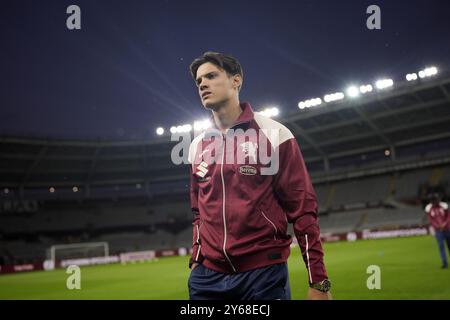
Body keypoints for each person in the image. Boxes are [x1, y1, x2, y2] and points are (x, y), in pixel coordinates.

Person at [186, 51, 331, 300]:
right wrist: (197, 260)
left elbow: (303, 210)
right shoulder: (196, 146)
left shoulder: (275, 135)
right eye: (199, 81)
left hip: (262, 275)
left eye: (211, 76)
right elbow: (198, 211)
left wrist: (318, 281)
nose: (203, 84)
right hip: (207, 279)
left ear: (236, 80)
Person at [425, 193, 450, 268]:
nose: (434, 202)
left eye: (435, 200)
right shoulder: (429, 208)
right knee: (441, 246)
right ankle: (444, 263)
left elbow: (448, 217)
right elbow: (431, 219)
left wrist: (444, 224)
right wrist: (438, 226)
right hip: (438, 231)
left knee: (449, 246)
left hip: (447, 229)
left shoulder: (444, 206)